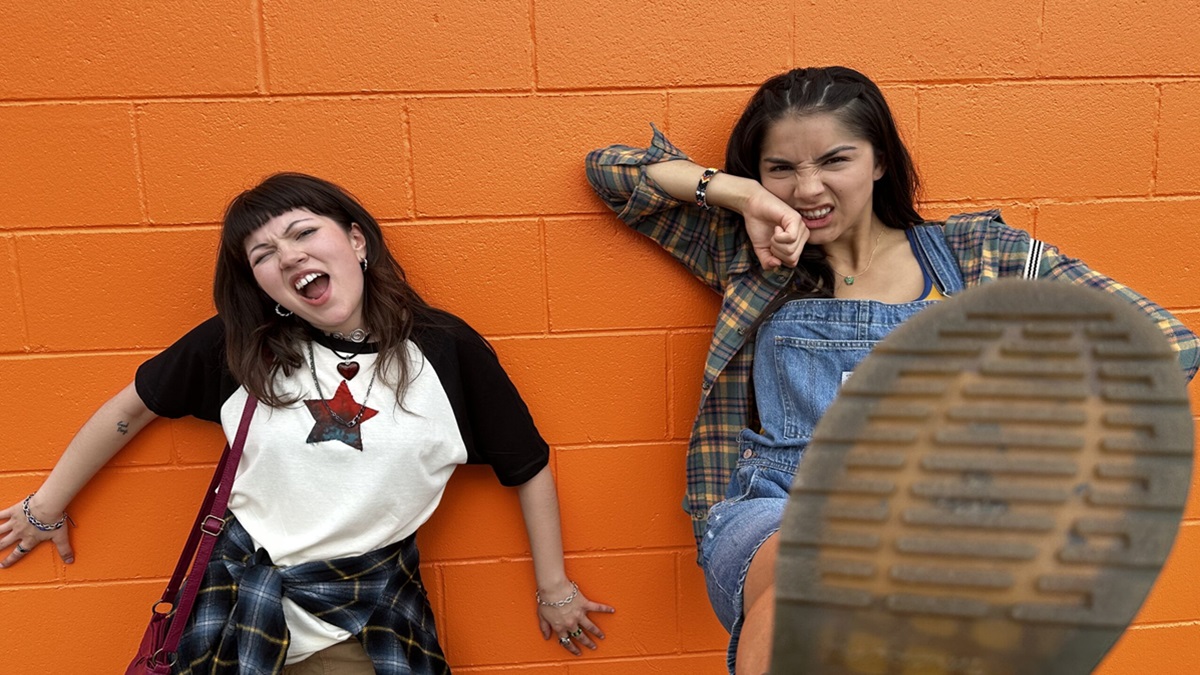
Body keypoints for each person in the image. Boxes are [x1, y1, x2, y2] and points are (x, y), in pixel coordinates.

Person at [586, 66, 1198, 674]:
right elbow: (611, 172)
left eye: (834, 160)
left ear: (879, 162)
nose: (806, 189)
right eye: (781, 169)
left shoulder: (978, 258)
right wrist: (742, 195)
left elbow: (1168, 346)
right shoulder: (754, 253)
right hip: (779, 508)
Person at [0, 173, 614, 674]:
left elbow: (526, 464)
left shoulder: (445, 350)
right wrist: (43, 507)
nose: (288, 256)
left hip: (358, 621)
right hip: (227, 616)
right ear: (261, 283)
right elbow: (130, 408)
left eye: (302, 233)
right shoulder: (240, 346)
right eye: (264, 254)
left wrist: (554, 587)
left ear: (357, 241)